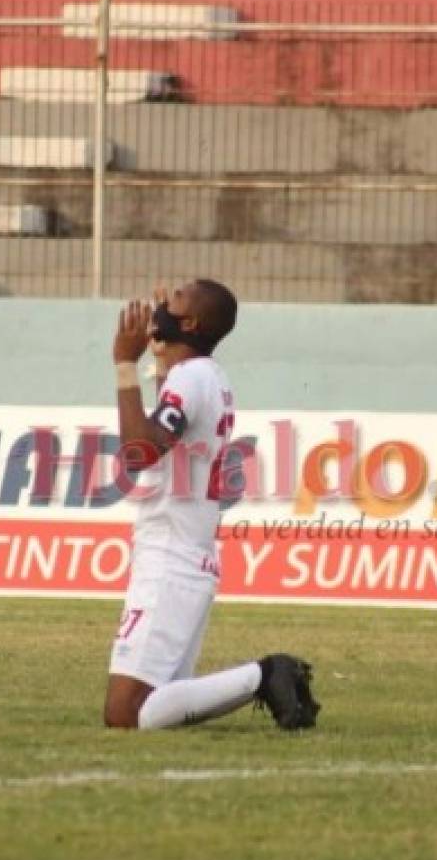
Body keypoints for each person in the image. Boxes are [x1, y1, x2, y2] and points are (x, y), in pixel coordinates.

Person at [104, 279, 320, 730]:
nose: (164, 301)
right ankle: (262, 676)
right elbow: (172, 421)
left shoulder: (192, 378)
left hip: (170, 557)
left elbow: (140, 452)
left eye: (176, 298)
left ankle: (265, 674)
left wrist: (125, 364)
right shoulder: (208, 375)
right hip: (190, 554)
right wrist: (161, 354)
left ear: (191, 322)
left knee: (126, 714)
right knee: (162, 705)